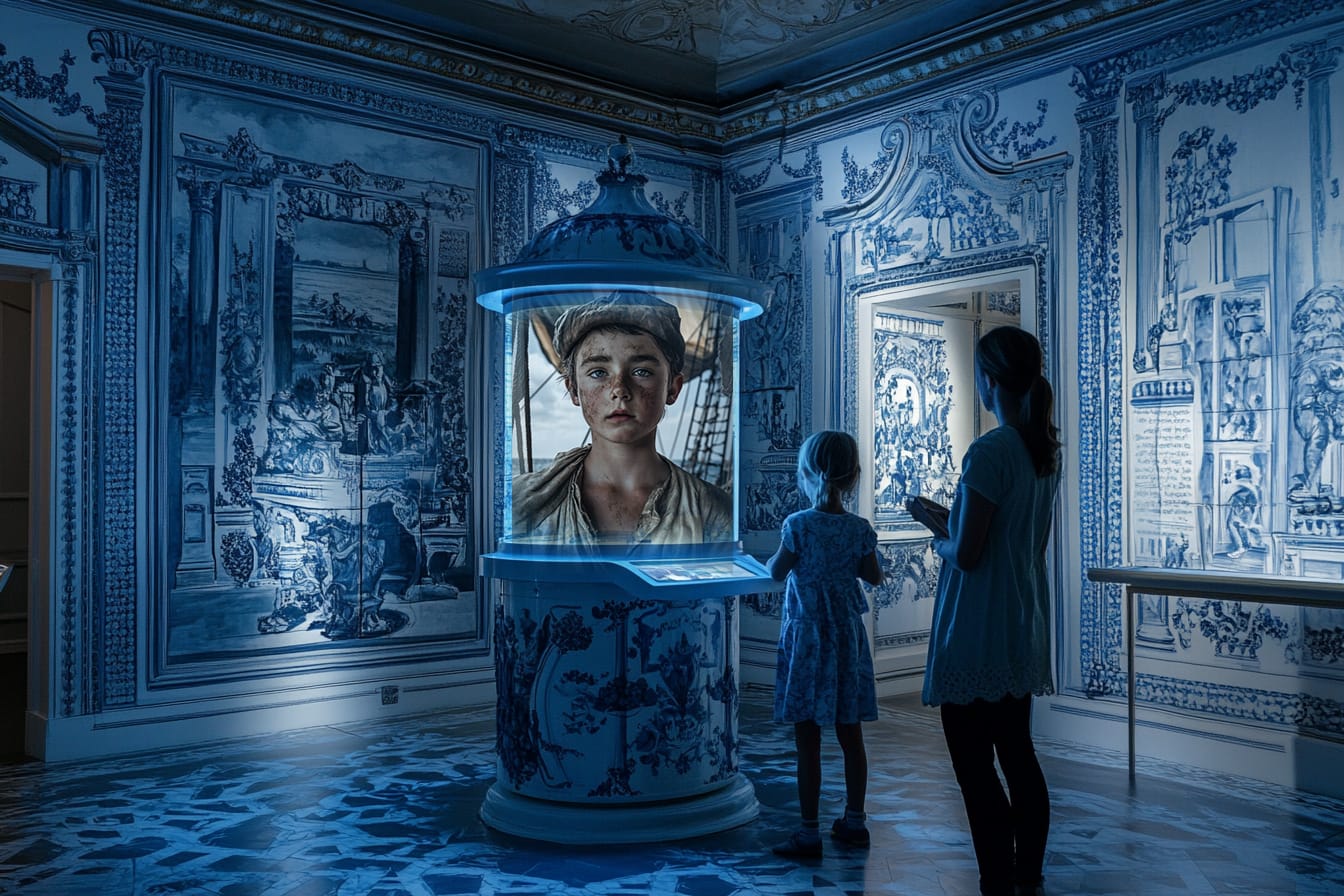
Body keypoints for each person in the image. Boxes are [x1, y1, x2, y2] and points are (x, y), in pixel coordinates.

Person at [922, 325, 1062, 896]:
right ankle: (1026, 873)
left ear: (987, 379)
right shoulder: (1040, 450)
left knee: (975, 768)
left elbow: (970, 553)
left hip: (979, 626)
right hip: (1021, 620)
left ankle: (995, 879)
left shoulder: (989, 450)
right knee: (1019, 755)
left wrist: (938, 540)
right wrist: (951, 525)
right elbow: (1010, 540)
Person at [511, 291, 733, 546]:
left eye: (641, 371)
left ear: (672, 388)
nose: (619, 389)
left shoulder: (715, 514)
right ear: (573, 390)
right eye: (598, 373)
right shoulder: (521, 504)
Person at [766, 430, 883, 859]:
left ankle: (809, 831)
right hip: (846, 639)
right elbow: (874, 576)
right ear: (853, 476)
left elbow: (778, 571)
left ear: (807, 473)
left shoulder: (798, 526)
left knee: (808, 740)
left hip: (809, 640)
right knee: (851, 736)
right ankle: (855, 821)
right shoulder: (859, 529)